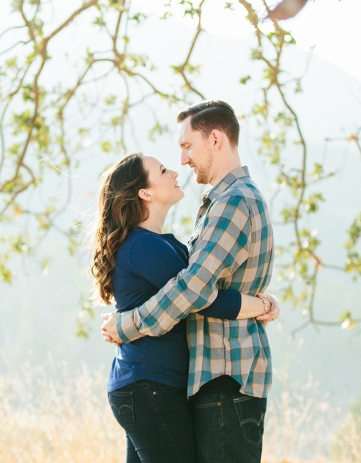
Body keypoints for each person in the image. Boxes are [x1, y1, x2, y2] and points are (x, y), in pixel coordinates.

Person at [101, 100, 276, 463]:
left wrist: (127, 325)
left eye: (186, 146)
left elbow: (193, 288)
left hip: (227, 375)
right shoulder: (215, 205)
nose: (182, 161)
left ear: (215, 139)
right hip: (203, 377)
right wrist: (258, 304)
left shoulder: (232, 202)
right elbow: (199, 288)